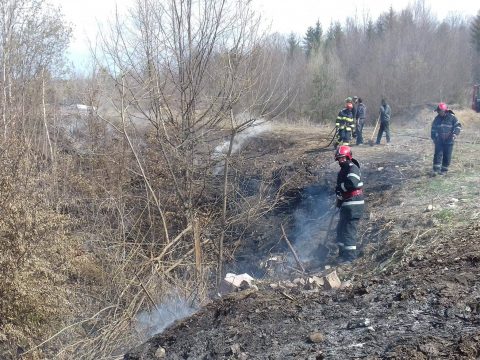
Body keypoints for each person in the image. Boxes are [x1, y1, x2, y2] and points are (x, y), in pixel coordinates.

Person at [334, 145, 364, 262]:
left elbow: (351, 183)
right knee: (340, 229)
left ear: (348, 156)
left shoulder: (352, 168)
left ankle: (350, 258)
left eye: (342, 158)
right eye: (338, 158)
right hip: (347, 203)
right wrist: (339, 197)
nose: (340, 160)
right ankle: (342, 255)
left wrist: (340, 188)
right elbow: (341, 188)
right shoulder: (343, 170)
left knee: (348, 231)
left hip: (354, 203)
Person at [431, 102, 462, 176]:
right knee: (437, 154)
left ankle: (444, 170)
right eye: (438, 111)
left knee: (447, 155)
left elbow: (458, 126)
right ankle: (436, 170)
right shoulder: (437, 118)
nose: (438, 112)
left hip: (449, 140)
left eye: (440, 111)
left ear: (444, 111)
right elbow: (433, 129)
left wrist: (455, 134)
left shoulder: (452, 117)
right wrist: (433, 137)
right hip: (439, 140)